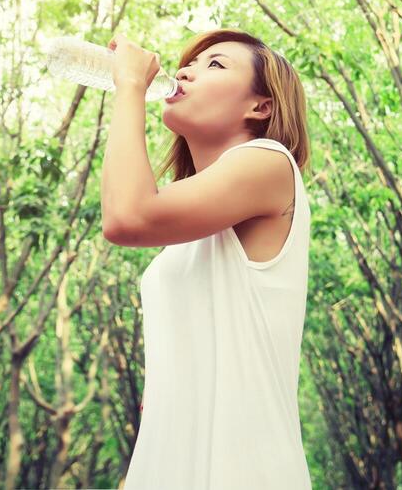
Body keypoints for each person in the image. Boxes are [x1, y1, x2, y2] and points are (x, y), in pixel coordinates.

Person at [101, 27, 312, 490]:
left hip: (242, 466)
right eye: (189, 64)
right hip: (175, 460)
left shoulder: (269, 163)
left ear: (261, 106)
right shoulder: (189, 227)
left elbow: (125, 217)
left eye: (215, 64)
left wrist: (131, 88)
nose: (184, 72)